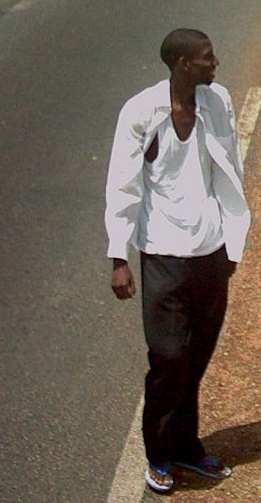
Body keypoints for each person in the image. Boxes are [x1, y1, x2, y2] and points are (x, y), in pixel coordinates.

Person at [104, 28, 251, 496]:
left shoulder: (216, 102)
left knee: (196, 357)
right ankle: (159, 454)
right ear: (183, 64)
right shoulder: (140, 112)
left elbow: (230, 166)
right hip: (163, 254)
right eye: (208, 58)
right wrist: (118, 255)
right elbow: (123, 185)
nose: (216, 63)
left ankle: (188, 446)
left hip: (211, 252)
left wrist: (232, 242)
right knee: (168, 358)